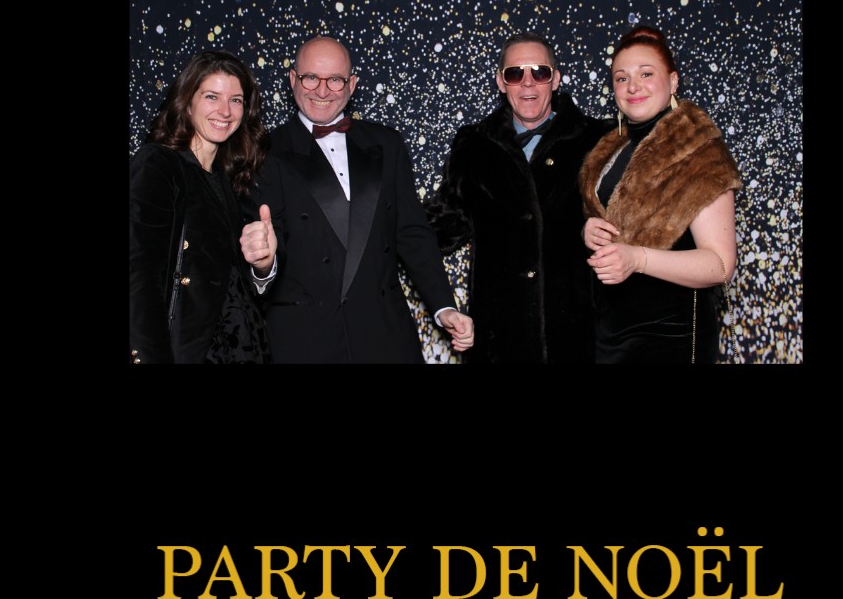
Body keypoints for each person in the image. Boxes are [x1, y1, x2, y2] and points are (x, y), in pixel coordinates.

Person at [249, 35, 473, 362]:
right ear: (293, 79)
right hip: (305, 340)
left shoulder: (387, 144)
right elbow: (269, 245)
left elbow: (412, 233)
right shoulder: (263, 152)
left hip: (385, 335)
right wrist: (263, 264)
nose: (322, 91)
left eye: (335, 80)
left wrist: (444, 307)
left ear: (352, 85)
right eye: (311, 78)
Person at [427, 32, 613, 363]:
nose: (528, 82)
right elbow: (439, 228)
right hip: (498, 343)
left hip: (579, 339)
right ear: (501, 82)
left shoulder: (599, 140)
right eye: (515, 73)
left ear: (555, 79)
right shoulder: (474, 146)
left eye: (540, 72)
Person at [579, 24, 739, 363]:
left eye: (646, 73)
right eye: (621, 78)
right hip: (612, 336)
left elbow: (721, 264)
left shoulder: (699, 151)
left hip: (672, 340)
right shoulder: (612, 150)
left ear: (673, 81)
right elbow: (619, 225)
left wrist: (638, 259)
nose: (632, 86)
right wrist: (590, 230)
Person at [129, 50, 273, 363]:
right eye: (212, 96)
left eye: (236, 100)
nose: (225, 111)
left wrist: (262, 266)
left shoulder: (227, 180)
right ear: (187, 102)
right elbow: (139, 276)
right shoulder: (159, 164)